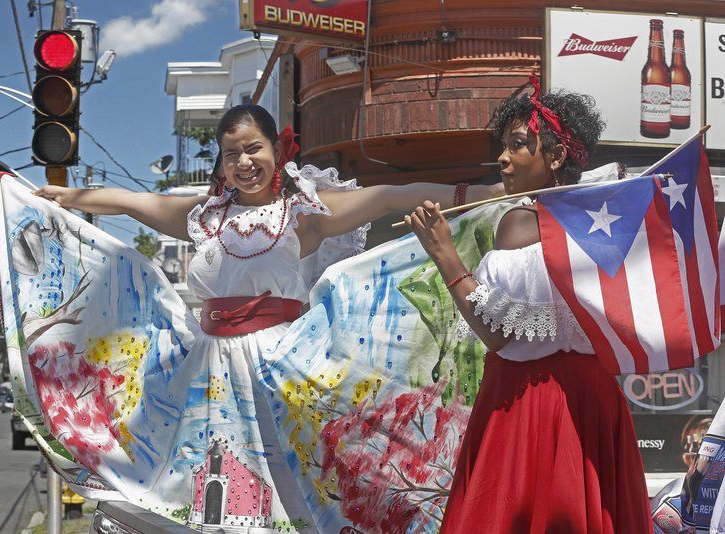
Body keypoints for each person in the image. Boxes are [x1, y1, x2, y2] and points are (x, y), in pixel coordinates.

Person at [33, 104, 504, 531]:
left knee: (288, 490)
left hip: (281, 367)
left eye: (254, 148)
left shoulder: (303, 213)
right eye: (231, 153)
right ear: (221, 162)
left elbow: (388, 196)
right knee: (212, 492)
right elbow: (130, 202)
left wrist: (482, 191)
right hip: (209, 370)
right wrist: (65, 198)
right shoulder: (205, 217)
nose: (244, 162)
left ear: (277, 150)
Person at [405, 79, 652, 532]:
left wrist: (444, 253)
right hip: (594, 402)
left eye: (519, 144)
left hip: (531, 404)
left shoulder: (521, 221)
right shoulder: (602, 225)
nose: (503, 158)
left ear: (555, 157)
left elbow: (498, 331)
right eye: (504, 146)